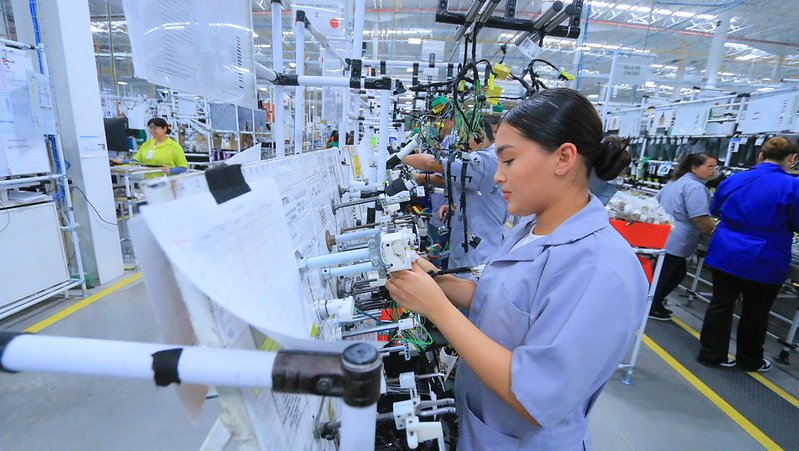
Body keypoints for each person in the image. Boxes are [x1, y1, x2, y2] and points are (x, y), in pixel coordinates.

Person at [387, 88, 648, 449]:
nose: (497, 176)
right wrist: (434, 280)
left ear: (563, 158)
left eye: (508, 160)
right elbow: (500, 301)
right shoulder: (532, 227)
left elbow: (535, 395)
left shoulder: (600, 269)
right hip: (483, 426)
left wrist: (437, 308)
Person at [698, 137, 799, 372]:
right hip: (766, 256)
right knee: (756, 311)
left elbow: (715, 210)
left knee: (720, 304)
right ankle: (750, 360)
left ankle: (711, 355)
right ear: (793, 159)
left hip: (726, 251)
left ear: (761, 156)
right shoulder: (793, 186)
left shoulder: (734, 179)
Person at [404, 117, 508, 273]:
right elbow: (478, 192)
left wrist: (400, 158)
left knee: (468, 284)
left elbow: (432, 163)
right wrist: (456, 205)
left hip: (479, 253)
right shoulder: (490, 156)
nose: (460, 145)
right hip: (472, 244)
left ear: (478, 136)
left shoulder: (484, 160)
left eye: (462, 138)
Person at [648, 153, 719, 321]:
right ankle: (651, 306)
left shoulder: (676, 182)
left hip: (666, 233)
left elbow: (655, 202)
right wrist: (715, 233)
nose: (714, 171)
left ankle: (654, 303)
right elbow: (699, 217)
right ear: (694, 168)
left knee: (672, 272)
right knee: (667, 274)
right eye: (710, 166)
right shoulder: (695, 187)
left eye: (716, 167)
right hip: (678, 238)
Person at [111, 118, 188, 175]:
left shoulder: (174, 147)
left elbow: (183, 167)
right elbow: (136, 161)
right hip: (149, 182)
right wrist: (121, 162)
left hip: (168, 182)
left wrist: (171, 170)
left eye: (155, 128)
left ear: (164, 129)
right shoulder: (146, 145)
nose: (151, 130)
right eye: (150, 128)